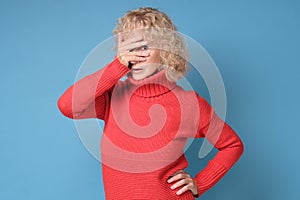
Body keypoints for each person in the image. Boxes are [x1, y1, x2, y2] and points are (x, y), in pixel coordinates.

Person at [57, 7, 244, 199]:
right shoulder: (113, 96)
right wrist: (116, 66)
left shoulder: (189, 104)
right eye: (130, 47)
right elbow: (67, 105)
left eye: (144, 47)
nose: (136, 55)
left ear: (165, 51)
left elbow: (232, 145)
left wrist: (200, 183)